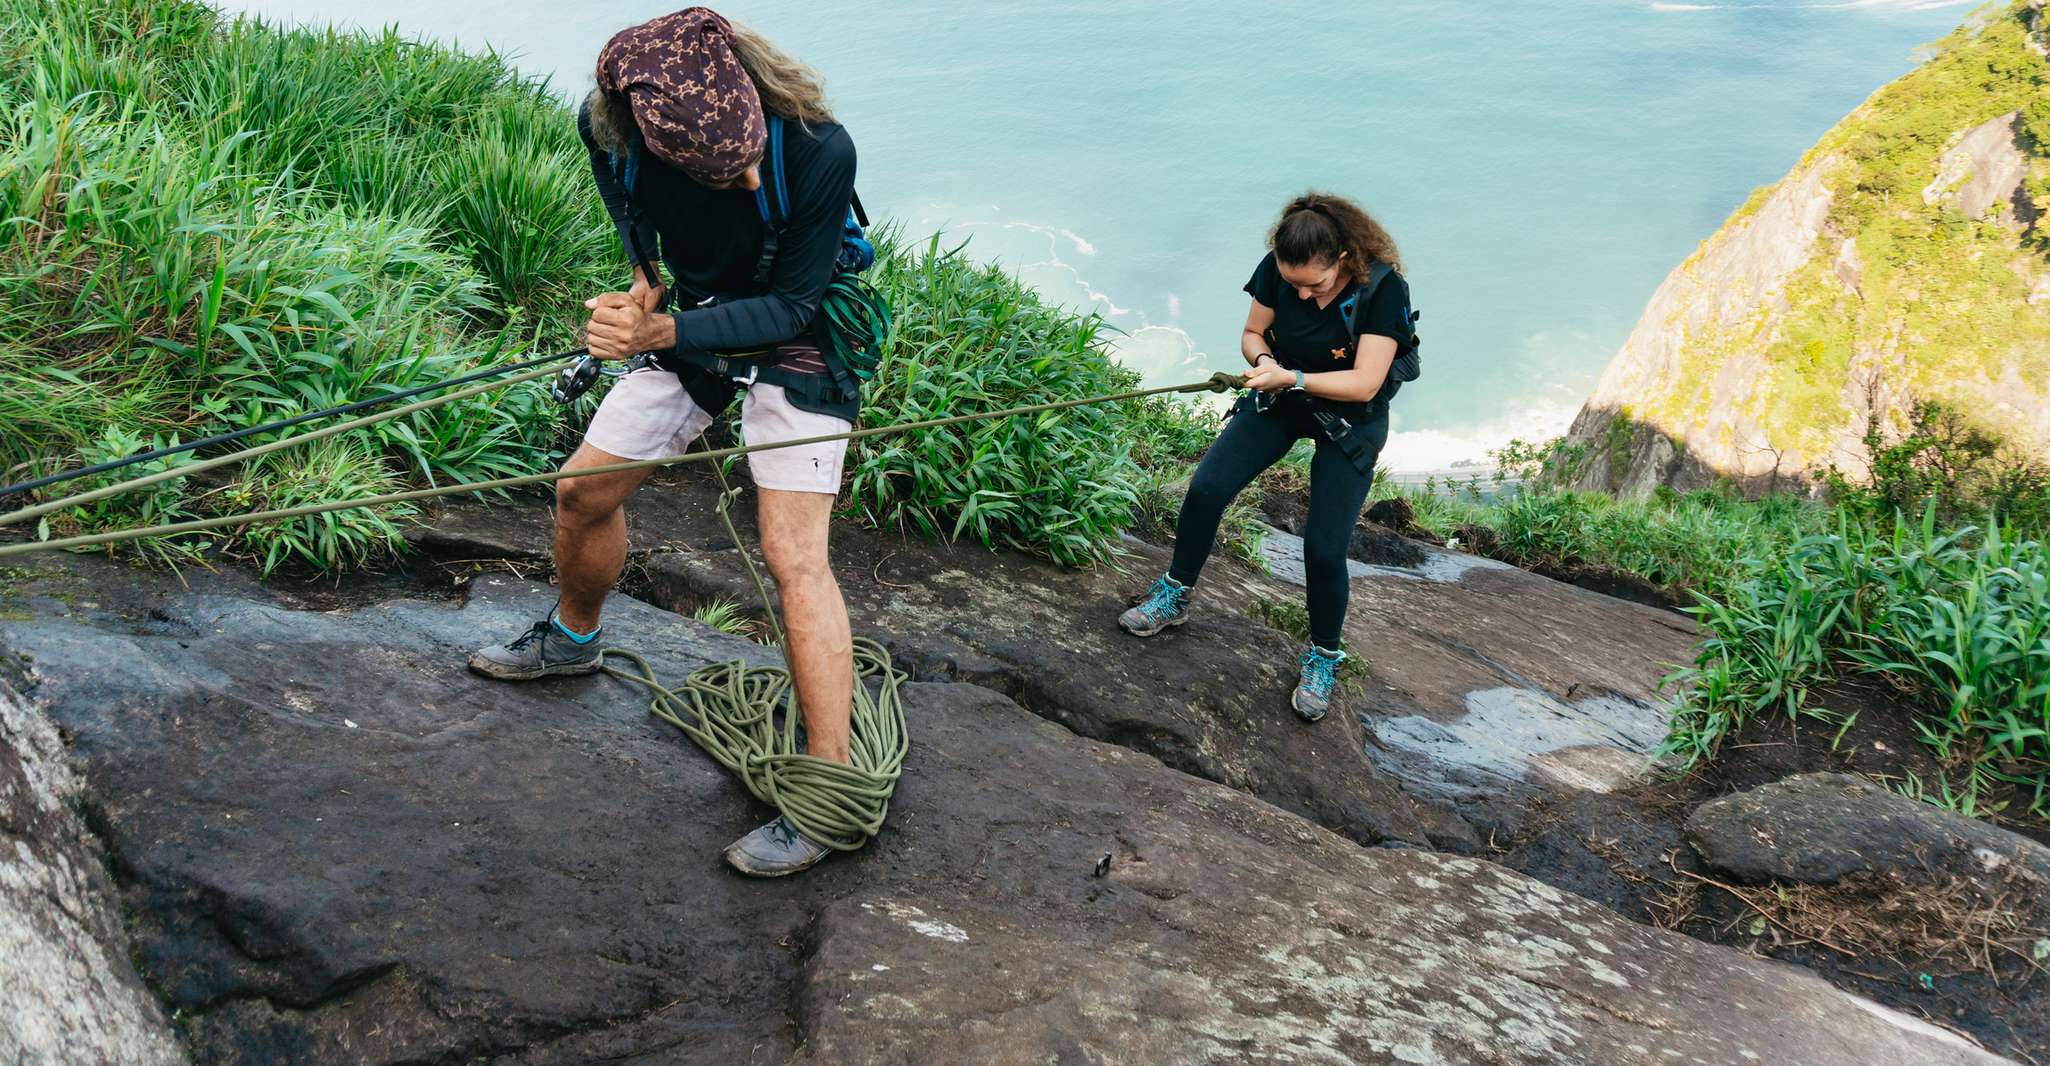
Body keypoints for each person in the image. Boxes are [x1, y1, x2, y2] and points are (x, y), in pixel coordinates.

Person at [468, 7, 860, 878]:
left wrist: (659, 333)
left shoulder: (820, 148)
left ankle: (829, 790)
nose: (756, 180)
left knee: (793, 552)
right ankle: (575, 640)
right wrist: (638, 301)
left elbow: (795, 307)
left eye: (755, 155)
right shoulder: (609, 133)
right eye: (729, 175)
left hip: (807, 328)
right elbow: (643, 245)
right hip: (696, 319)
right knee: (581, 491)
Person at [1118, 193, 1412, 723]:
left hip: (1349, 418)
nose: (1300, 291)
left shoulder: (1382, 288)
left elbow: (1366, 380)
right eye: (1291, 281)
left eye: (1312, 285)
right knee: (1207, 487)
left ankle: (1324, 655)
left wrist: (1292, 376)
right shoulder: (1280, 266)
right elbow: (1254, 333)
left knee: (1324, 547)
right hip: (1281, 396)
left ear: (1343, 258)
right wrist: (1265, 362)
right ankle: (1175, 594)